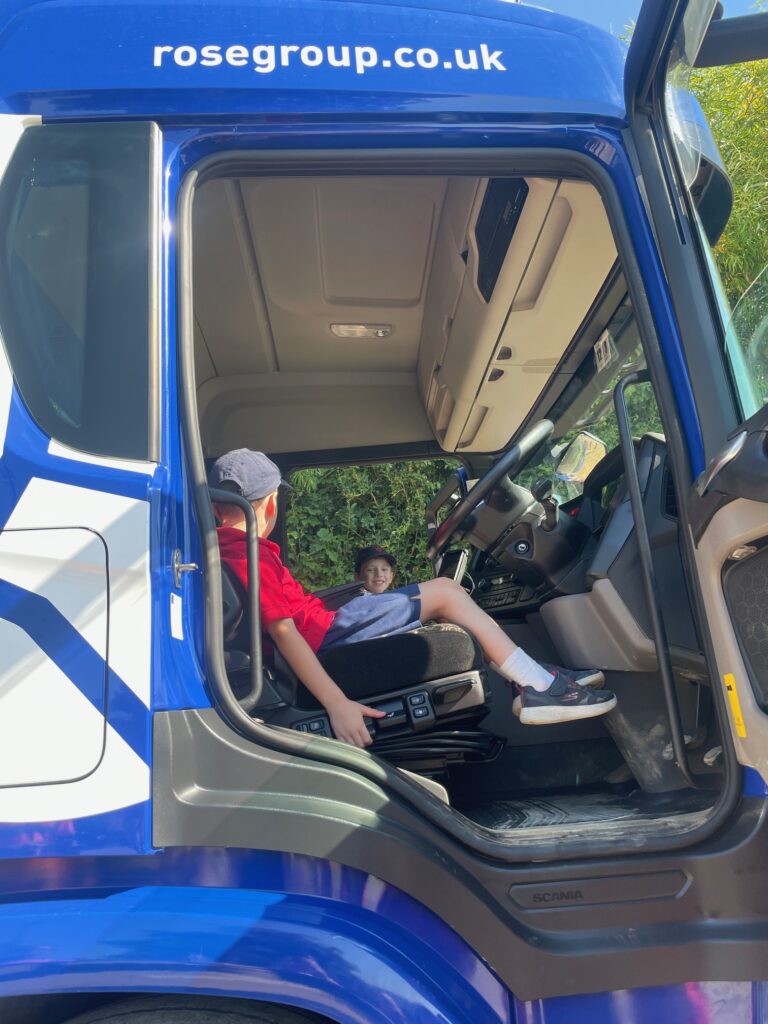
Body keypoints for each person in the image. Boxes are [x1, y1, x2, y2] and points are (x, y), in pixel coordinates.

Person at [211, 449, 617, 748]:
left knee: (446, 593)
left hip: (326, 626)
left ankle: (534, 677)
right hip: (328, 633)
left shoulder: (230, 548)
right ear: (269, 503)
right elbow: (284, 632)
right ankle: (536, 685)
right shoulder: (248, 551)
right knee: (446, 592)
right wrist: (337, 704)